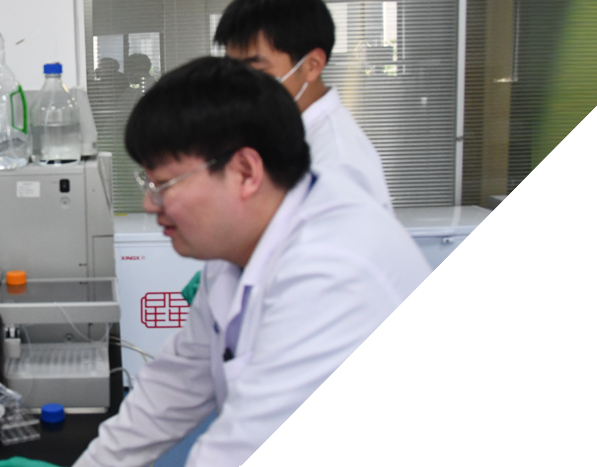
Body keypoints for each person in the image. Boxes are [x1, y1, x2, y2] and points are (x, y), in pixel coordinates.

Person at [72, 57, 526, 466]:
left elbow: (247, 455)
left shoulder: (335, 270)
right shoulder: (239, 249)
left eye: (164, 185)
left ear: (246, 172)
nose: (151, 205)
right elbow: (174, 386)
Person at [215, 0, 392, 211]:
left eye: (255, 71)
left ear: (312, 65)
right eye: (232, 70)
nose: (239, 85)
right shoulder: (279, 132)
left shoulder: (336, 164)